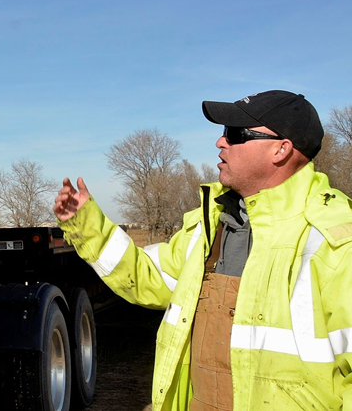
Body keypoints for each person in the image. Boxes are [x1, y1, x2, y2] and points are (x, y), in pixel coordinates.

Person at [54, 90, 352, 411]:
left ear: (281, 149)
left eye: (235, 134)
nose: (220, 143)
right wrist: (85, 224)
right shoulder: (209, 225)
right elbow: (149, 278)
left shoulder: (335, 239)